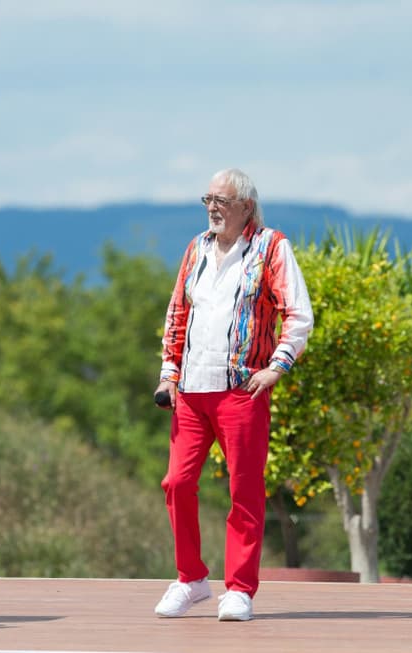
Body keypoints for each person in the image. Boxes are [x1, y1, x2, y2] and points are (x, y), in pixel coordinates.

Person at [153, 168, 313, 621]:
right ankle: (191, 579)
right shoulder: (196, 248)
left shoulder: (271, 247)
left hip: (241, 390)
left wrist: (277, 367)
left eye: (221, 201)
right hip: (190, 390)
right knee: (177, 483)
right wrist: (168, 374)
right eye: (207, 199)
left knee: (245, 489)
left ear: (246, 206)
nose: (212, 208)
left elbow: (298, 315)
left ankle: (240, 588)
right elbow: (177, 313)